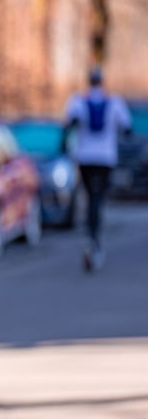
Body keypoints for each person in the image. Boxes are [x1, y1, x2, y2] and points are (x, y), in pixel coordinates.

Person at [62, 66, 131, 272]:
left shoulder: (78, 101)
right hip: (105, 158)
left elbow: (68, 125)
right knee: (98, 199)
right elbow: (126, 127)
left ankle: (91, 237)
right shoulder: (115, 102)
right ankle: (95, 239)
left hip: (85, 157)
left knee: (90, 197)